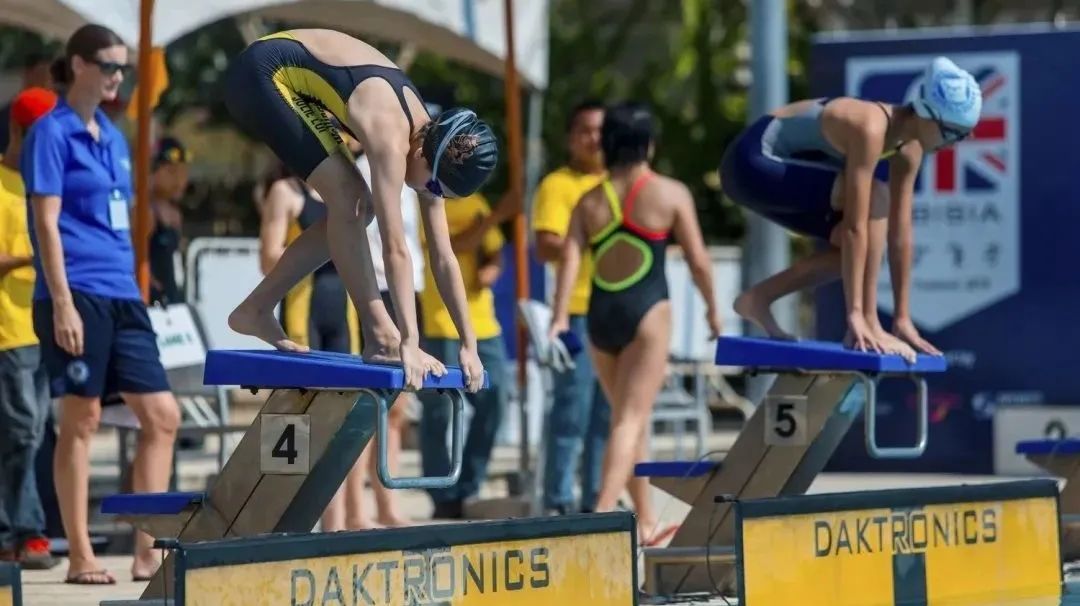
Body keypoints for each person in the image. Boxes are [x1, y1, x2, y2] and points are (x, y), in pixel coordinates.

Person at [222, 28, 501, 393]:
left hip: (290, 79)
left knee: (354, 202)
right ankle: (379, 334)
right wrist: (407, 342)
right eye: (434, 188)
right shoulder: (392, 136)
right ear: (421, 155)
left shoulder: (431, 145)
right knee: (352, 200)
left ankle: (256, 309)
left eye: (442, 196)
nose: (432, 196)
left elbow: (444, 256)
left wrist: (469, 343)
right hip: (261, 74)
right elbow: (395, 247)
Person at [21, 23, 181, 585]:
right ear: (80, 65)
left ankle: (146, 550)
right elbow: (45, 222)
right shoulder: (51, 132)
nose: (118, 77)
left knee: (163, 416)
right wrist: (61, 302)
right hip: (77, 290)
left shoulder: (113, 135)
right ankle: (82, 554)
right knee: (81, 420)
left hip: (121, 292)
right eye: (111, 66)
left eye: (123, 68)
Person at [720, 56, 981, 359]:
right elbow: (858, 224)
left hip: (779, 173)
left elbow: (900, 237)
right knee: (875, 201)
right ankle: (867, 319)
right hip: (750, 163)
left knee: (854, 248)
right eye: (954, 132)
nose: (956, 143)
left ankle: (758, 298)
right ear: (927, 115)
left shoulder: (910, 150)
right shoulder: (870, 126)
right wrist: (858, 315)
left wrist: (902, 319)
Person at [548, 102, 722, 544]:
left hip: (601, 319)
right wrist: (713, 310)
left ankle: (644, 520)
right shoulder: (668, 193)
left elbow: (569, 260)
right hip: (647, 313)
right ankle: (603, 518)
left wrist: (559, 316)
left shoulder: (589, 200)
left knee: (631, 423)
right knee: (628, 420)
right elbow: (700, 262)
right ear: (648, 143)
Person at [531, 99, 611, 515]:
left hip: (617, 311)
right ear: (570, 138)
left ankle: (596, 501)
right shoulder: (557, 185)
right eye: (585, 130)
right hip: (576, 313)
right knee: (571, 412)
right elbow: (545, 245)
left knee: (606, 416)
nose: (594, 138)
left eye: (601, 130)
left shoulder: (622, 182)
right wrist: (597, 243)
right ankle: (558, 503)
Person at [416, 188, 509, 519]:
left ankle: (467, 486)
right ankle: (442, 495)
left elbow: (494, 250)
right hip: (439, 322)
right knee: (438, 411)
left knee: (496, 400)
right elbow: (450, 249)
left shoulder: (478, 202)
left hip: (483, 324)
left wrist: (492, 271)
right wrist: (497, 215)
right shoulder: (423, 199)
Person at [0, 86, 59, 571]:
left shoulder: (47, 184)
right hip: (9, 331)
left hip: (44, 325)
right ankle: (27, 532)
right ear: (22, 131)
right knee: (23, 433)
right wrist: (39, 252)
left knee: (34, 433)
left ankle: (14, 531)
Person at [147, 136, 191, 306]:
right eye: (172, 172)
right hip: (153, 299)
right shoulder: (146, 212)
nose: (180, 180)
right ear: (155, 172)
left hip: (172, 297)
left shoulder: (174, 213)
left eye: (183, 172)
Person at [0, 53, 55, 150]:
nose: (46, 81)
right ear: (27, 74)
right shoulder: (7, 116)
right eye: (41, 74)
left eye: (50, 77)